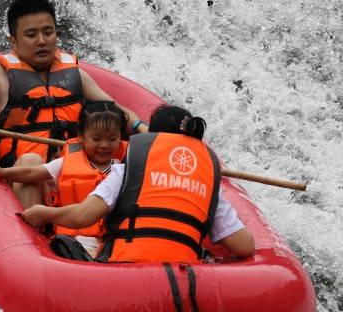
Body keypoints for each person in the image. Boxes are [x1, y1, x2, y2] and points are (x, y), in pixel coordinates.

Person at [0, 0, 148, 209]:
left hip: (75, 174)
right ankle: (33, 237)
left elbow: (116, 113)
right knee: (31, 161)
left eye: (48, 32)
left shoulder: (75, 74)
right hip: (27, 176)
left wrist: (142, 128)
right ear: (13, 41)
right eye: (31, 35)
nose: (42, 41)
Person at [21, 105, 256, 263]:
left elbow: (83, 216)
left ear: (151, 139)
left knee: (64, 244)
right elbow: (245, 246)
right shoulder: (207, 186)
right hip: (184, 274)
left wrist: (44, 213)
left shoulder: (125, 171)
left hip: (126, 272)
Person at [0, 101, 127, 257]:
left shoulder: (125, 168)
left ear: (120, 138)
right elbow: (32, 173)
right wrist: (1, 172)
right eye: (97, 139)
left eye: (112, 139)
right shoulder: (66, 162)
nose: (104, 145)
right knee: (30, 160)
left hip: (107, 240)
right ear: (81, 136)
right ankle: (28, 244)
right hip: (70, 238)